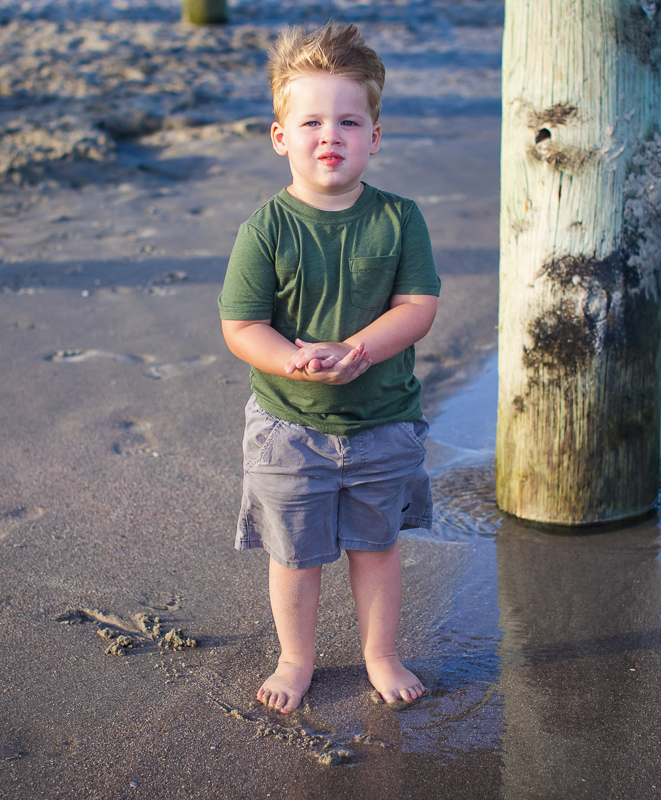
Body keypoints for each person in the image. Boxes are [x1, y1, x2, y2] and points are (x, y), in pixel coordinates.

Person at [218, 21, 440, 715]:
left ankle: (381, 652)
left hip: (382, 424)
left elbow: (418, 305)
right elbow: (241, 325)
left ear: (375, 136)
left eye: (349, 120)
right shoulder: (266, 229)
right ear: (281, 135)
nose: (330, 135)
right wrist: (293, 360)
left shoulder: (400, 220)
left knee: (376, 551)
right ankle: (297, 657)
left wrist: (360, 350)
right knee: (296, 557)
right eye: (311, 120)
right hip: (289, 426)